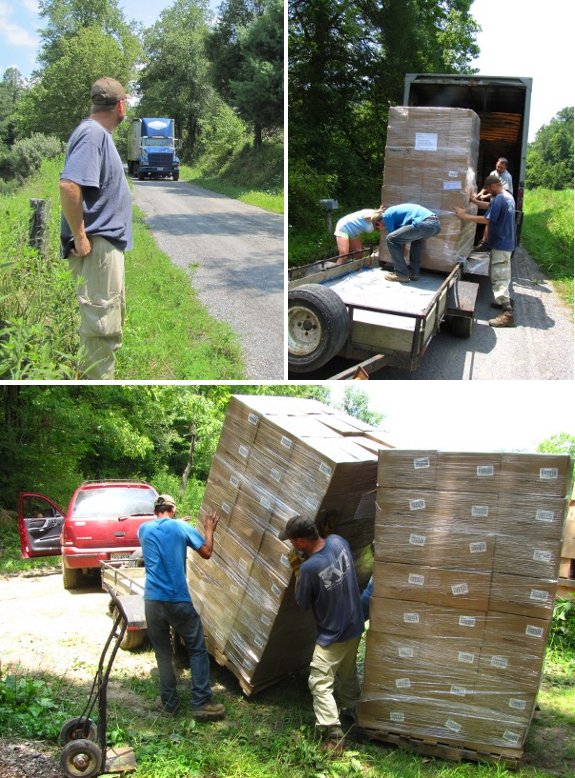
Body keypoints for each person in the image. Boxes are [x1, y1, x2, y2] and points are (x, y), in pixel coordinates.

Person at [60, 77, 132, 380]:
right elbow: (68, 185)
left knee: (105, 327)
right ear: (120, 105)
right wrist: (80, 235)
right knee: (100, 331)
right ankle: (97, 381)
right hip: (97, 248)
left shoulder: (96, 134)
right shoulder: (92, 135)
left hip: (103, 248)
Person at [279, 515, 364, 752]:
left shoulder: (308, 568)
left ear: (300, 541)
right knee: (347, 674)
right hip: (355, 624)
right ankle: (355, 714)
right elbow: (343, 558)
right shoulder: (338, 541)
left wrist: (297, 569)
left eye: (293, 541)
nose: (292, 546)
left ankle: (333, 735)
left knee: (319, 681)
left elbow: (302, 602)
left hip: (333, 634)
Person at [137, 494, 226, 721]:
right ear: (173, 509)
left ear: (156, 510)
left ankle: (169, 703)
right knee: (196, 648)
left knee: (162, 654)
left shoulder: (143, 530)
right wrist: (208, 530)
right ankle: (201, 703)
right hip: (177, 600)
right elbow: (206, 552)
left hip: (152, 601)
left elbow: (162, 539)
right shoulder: (180, 528)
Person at [455, 174, 516, 327]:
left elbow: (487, 220)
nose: (488, 192)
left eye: (488, 189)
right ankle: (502, 299)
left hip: (501, 244)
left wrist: (464, 216)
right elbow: (490, 207)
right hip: (505, 242)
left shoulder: (501, 199)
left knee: (499, 277)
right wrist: (473, 201)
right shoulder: (507, 197)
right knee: (500, 273)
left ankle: (507, 313)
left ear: (494, 185)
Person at [379, 203, 441, 282]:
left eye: (378, 229)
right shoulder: (396, 217)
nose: (381, 230)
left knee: (390, 239)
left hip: (424, 223)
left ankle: (401, 274)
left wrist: (399, 256)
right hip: (435, 225)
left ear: (379, 223)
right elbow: (400, 238)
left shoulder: (386, 216)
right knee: (416, 240)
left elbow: (394, 238)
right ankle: (414, 273)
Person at [474, 157, 514, 250]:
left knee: (490, 221)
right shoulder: (493, 173)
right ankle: (485, 242)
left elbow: (500, 191)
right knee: (489, 221)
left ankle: (488, 242)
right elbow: (487, 185)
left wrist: (485, 197)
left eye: (501, 168)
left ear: (506, 168)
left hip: (502, 203)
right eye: (497, 166)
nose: (498, 169)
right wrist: (481, 193)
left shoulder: (507, 177)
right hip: (494, 201)